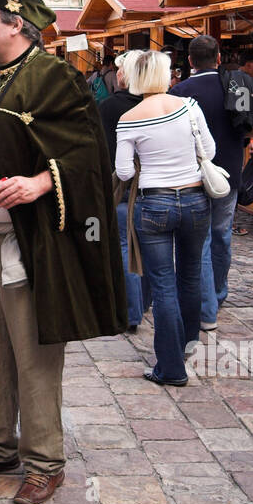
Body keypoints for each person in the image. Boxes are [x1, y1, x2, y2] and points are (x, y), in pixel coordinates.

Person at [0, 0, 126, 504]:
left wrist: (41, 182)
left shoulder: (56, 77)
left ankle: (44, 462)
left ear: (17, 24)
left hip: (29, 242)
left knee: (34, 352)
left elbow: (89, 156)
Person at [116, 50, 215, 387]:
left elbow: (124, 170)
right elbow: (210, 151)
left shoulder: (129, 117)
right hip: (194, 198)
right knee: (190, 276)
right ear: (165, 74)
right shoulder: (188, 107)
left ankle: (170, 366)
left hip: (154, 203)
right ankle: (187, 345)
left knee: (163, 284)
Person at [172, 35, 253, 331]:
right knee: (221, 234)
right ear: (219, 58)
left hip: (193, 174)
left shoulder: (180, 92)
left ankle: (204, 299)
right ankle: (218, 293)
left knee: (201, 239)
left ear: (189, 61)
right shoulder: (236, 86)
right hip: (230, 171)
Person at [99, 50, 147, 332]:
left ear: (122, 76)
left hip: (120, 186)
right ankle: (145, 302)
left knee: (124, 247)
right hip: (155, 188)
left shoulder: (108, 107)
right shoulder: (159, 105)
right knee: (152, 249)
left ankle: (131, 311)